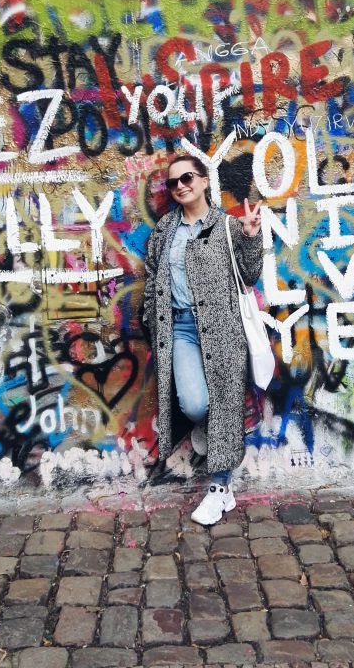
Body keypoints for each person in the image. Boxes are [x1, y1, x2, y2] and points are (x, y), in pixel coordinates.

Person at [142, 153, 263, 525]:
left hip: (223, 333)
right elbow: (151, 280)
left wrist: (251, 238)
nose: (181, 186)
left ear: (205, 181)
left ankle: (220, 489)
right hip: (180, 331)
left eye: (188, 177)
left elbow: (250, 275)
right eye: (174, 182)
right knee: (196, 405)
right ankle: (210, 439)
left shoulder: (226, 226)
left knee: (224, 407)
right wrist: (152, 318)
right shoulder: (164, 231)